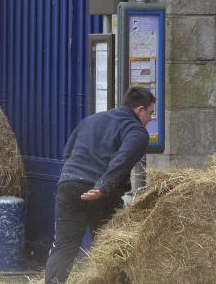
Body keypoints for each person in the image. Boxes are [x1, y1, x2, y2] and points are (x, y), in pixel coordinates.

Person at [44, 87, 155, 284]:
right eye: (150, 113)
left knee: (64, 245)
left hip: (69, 184)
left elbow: (67, 153)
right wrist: (103, 187)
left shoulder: (92, 120)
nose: (150, 119)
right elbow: (122, 160)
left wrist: (74, 180)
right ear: (140, 110)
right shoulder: (136, 131)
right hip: (101, 192)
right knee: (111, 246)